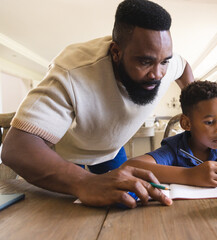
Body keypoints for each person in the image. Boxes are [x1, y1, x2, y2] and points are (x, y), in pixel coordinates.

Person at [1, 0, 194, 208]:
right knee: (63, 211)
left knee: (127, 202)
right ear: (116, 52)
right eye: (145, 62)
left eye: (164, 61)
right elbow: (15, 148)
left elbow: (183, 68)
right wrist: (84, 182)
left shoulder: (164, 60)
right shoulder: (72, 72)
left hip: (111, 150)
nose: (157, 74)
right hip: (65, 155)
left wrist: (196, 104)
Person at [122, 80, 217, 187]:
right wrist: (190, 175)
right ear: (186, 123)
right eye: (210, 122)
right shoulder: (175, 148)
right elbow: (131, 166)